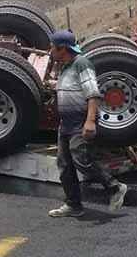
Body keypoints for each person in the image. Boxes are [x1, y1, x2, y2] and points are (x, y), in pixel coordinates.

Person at [48, 30, 127, 217]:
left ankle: (115, 187)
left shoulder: (81, 64)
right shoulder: (65, 66)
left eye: (52, 47)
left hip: (80, 121)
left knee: (81, 160)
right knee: (64, 165)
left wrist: (90, 121)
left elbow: (92, 94)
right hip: (66, 123)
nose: (50, 50)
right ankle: (73, 205)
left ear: (62, 49)